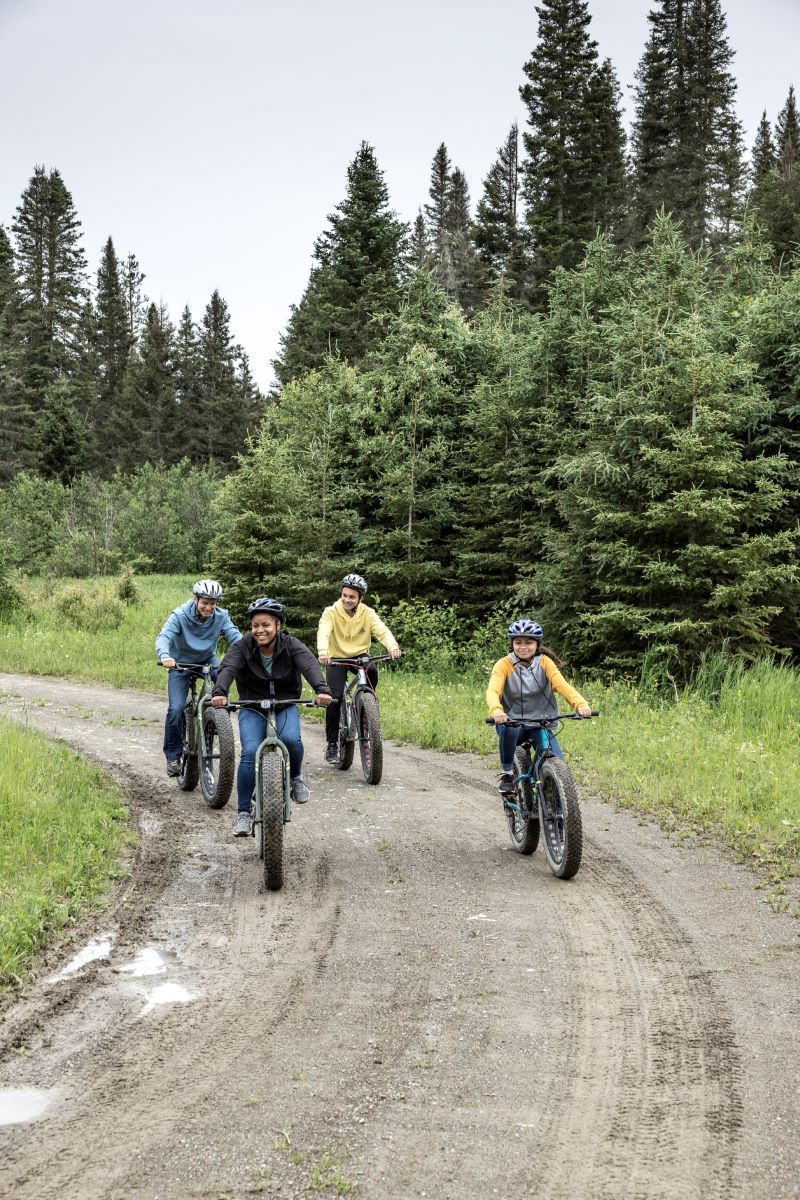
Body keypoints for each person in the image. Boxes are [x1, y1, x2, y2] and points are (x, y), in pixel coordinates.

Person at [211, 597, 332, 837]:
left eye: (265, 625)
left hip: (285, 704)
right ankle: (243, 813)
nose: (259, 630)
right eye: (255, 625)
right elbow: (229, 667)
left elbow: (309, 664)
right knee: (249, 751)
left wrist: (322, 689)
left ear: (277, 625)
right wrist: (220, 692)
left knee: (292, 740)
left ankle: (296, 778)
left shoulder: (291, 645)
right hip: (252, 706)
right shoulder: (243, 646)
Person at [486, 618, 592, 793]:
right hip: (513, 723)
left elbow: (562, 685)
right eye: (518, 642)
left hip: (540, 723)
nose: (523, 647)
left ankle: (554, 812)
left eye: (529, 642)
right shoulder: (504, 664)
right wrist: (497, 710)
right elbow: (493, 691)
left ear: (537, 644)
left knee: (559, 766)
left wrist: (580, 704)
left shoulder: (544, 663)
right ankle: (507, 774)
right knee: (510, 727)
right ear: (512, 643)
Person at [156, 579, 242, 777]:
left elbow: (234, 637)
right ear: (196, 599)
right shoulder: (179, 615)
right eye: (205, 602)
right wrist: (165, 656)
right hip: (180, 664)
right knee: (176, 709)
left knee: (224, 674)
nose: (209, 607)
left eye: (213, 603)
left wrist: (247, 653)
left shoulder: (221, 616)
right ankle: (173, 756)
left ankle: (218, 718)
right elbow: (164, 637)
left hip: (207, 660)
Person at [317, 573, 401, 763]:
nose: (347, 600)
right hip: (336, 657)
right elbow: (323, 631)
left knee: (371, 669)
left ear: (360, 598)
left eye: (352, 597)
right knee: (334, 698)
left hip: (360, 656)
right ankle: (332, 745)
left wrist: (393, 647)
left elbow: (382, 631)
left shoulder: (368, 613)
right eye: (344, 595)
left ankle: (367, 705)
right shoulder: (331, 612)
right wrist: (323, 652)